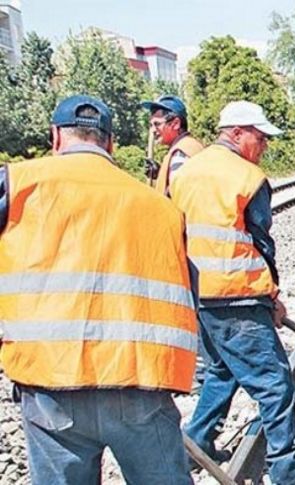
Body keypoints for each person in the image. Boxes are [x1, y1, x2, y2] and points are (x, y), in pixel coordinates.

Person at [0, 95, 197, 484]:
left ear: (56, 137)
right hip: (140, 379)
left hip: (51, 383)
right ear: (109, 143)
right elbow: (189, 290)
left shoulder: (16, 183)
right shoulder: (160, 207)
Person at [171, 101, 295, 484]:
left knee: (222, 370)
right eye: (260, 138)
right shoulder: (247, 176)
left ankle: (196, 442)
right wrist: (271, 296)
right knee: (275, 382)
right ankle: (288, 469)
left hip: (198, 294)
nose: (265, 146)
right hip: (237, 293)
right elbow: (261, 243)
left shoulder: (186, 171)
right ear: (237, 132)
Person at [141, 95, 204, 195]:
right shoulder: (192, 146)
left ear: (175, 124)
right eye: (151, 125)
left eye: (157, 124)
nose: (153, 130)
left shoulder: (180, 154)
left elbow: (179, 198)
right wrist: (160, 173)